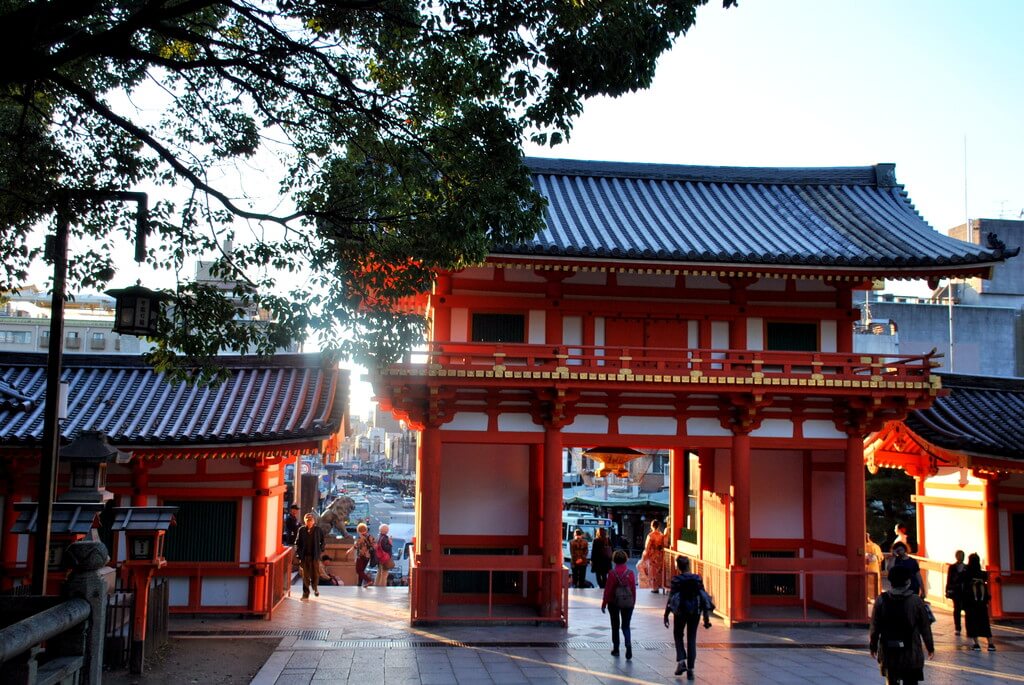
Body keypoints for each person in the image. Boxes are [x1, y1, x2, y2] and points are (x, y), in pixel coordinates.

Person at [870, 565, 935, 685]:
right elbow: (925, 627)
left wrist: (873, 645)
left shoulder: (881, 600)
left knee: (891, 680)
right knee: (911, 680)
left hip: (889, 649)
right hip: (911, 649)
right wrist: (930, 646)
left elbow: (875, 625)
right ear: (908, 581)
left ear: (891, 581)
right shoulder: (916, 601)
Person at [664, 556, 710, 680]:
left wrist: (666, 614)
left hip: (680, 611)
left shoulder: (676, 580)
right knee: (692, 638)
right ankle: (691, 670)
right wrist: (706, 616)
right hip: (695, 611)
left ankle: (681, 662)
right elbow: (703, 596)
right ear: (689, 565)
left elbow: (671, 598)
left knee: (678, 634)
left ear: (678, 566)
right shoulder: (697, 579)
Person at [602, 549, 636, 660]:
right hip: (627, 602)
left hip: (613, 602)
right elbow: (633, 590)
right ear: (626, 560)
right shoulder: (630, 573)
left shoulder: (612, 573)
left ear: (614, 560)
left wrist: (604, 603)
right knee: (626, 626)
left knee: (615, 626)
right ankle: (628, 645)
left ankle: (616, 649)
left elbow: (608, 590)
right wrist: (633, 602)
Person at [962, 553, 995, 651]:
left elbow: (963, 585)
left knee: (972, 622)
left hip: (971, 602)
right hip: (982, 603)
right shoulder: (982, 574)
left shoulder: (967, 573)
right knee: (984, 622)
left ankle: (976, 644)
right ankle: (991, 643)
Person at [294, 513, 325, 599]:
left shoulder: (318, 530)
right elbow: (297, 543)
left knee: (315, 574)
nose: (309, 522)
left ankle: (315, 588)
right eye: (307, 520)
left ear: (314, 521)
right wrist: (298, 554)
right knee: (305, 576)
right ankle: (305, 593)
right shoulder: (301, 530)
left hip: (314, 556)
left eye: (311, 520)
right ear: (305, 521)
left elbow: (323, 541)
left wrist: (320, 550)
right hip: (304, 557)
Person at [639, 520, 666, 592]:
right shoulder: (661, 535)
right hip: (660, 555)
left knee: (653, 572)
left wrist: (644, 556)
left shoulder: (650, 535)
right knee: (659, 571)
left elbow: (647, 547)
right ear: (658, 526)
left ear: (651, 526)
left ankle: (655, 588)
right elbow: (664, 545)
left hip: (653, 555)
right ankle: (661, 585)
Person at [945, 550, 967, 636]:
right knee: (957, 609)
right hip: (956, 590)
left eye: (962, 555)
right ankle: (957, 627)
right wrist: (947, 590)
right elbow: (949, 579)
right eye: (959, 555)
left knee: (966, 609)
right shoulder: (952, 567)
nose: (960, 557)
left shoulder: (966, 567)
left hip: (965, 591)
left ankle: (968, 627)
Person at [348, 521, 375, 588]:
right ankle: (359, 584)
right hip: (368, 556)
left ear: (358, 530)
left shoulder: (361, 538)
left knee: (358, 570)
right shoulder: (371, 537)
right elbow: (374, 545)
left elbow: (356, 546)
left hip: (361, 555)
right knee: (362, 570)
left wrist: (349, 551)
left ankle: (368, 580)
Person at [866, 533, 884, 600]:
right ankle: (875, 598)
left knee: (869, 584)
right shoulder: (876, 546)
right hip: (875, 568)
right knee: (874, 583)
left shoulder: (871, 546)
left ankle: (869, 598)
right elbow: (881, 557)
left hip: (869, 567)